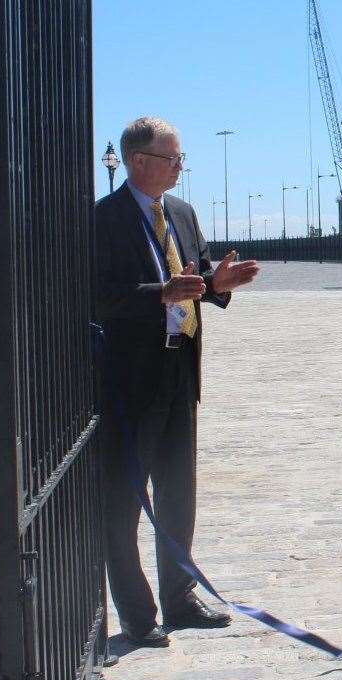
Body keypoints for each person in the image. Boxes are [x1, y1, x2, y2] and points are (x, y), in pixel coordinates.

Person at [95, 117, 260, 646]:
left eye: (180, 157)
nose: (180, 166)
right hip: (128, 380)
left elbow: (197, 277)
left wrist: (217, 285)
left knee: (178, 493)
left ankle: (180, 599)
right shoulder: (104, 220)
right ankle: (137, 615)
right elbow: (97, 296)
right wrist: (160, 294)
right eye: (171, 158)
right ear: (138, 161)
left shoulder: (183, 214)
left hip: (179, 368)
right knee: (124, 503)